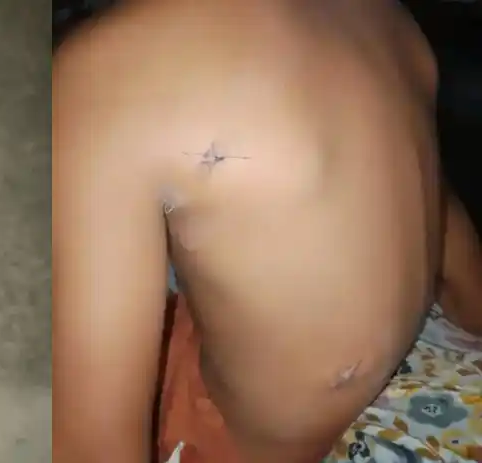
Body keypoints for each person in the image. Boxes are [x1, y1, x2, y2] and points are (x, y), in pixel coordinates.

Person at [53, 0, 482, 461]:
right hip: (373, 354)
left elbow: (91, 450)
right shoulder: (385, 14)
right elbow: (441, 218)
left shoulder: (107, 76)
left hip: (262, 442)